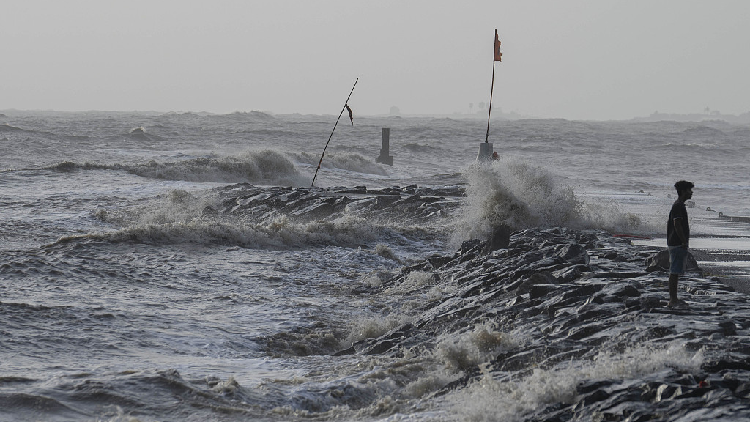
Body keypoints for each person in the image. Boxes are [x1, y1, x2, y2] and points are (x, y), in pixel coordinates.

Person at [667, 180, 694, 308]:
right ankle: (673, 300)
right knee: (674, 272)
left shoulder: (679, 205)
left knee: (675, 272)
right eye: (689, 190)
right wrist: (683, 241)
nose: (691, 192)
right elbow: (677, 225)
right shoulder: (678, 206)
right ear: (683, 191)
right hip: (677, 243)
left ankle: (674, 298)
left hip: (676, 242)